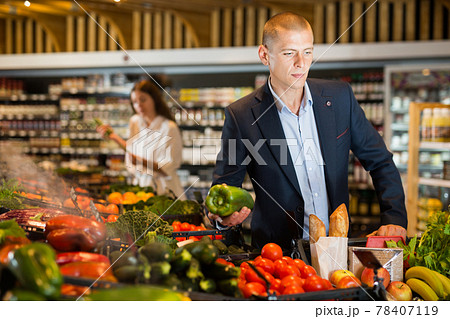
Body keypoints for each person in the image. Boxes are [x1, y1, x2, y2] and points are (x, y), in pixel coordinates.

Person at [208, 12, 407, 249]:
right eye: (289, 53)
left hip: (339, 248)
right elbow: (223, 188)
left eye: (308, 52)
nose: (301, 63)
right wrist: (222, 220)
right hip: (277, 257)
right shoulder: (241, 116)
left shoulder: (341, 98)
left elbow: (380, 161)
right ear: (265, 55)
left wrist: (394, 217)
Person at [97, 79, 186, 200]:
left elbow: (168, 168)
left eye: (143, 100)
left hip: (165, 192)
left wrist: (140, 161)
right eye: (134, 102)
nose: (138, 105)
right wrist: (114, 137)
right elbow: (131, 150)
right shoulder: (135, 121)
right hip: (141, 190)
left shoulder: (169, 127)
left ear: (154, 99)